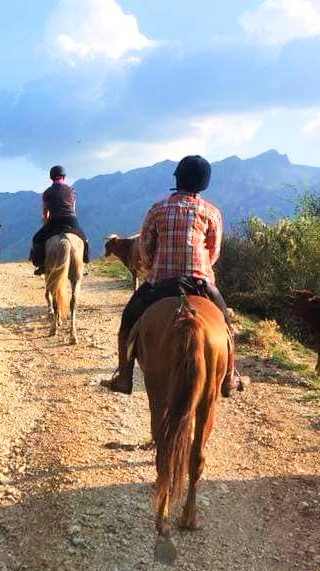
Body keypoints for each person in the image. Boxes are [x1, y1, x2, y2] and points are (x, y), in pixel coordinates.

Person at [104, 155, 249, 397]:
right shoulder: (212, 212)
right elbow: (214, 252)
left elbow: (145, 249)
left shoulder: (157, 208)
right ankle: (229, 377)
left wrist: (153, 269)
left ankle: (124, 376)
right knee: (226, 325)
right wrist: (201, 269)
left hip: (160, 282)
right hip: (200, 282)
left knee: (128, 321)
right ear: (204, 183)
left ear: (177, 179)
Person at [29, 165, 90, 275]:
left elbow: (45, 211)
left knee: (37, 240)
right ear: (64, 177)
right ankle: (84, 264)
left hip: (54, 221)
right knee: (84, 239)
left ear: (51, 178)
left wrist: (45, 218)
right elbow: (73, 208)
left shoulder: (47, 192)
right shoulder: (72, 191)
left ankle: (41, 265)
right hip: (71, 220)